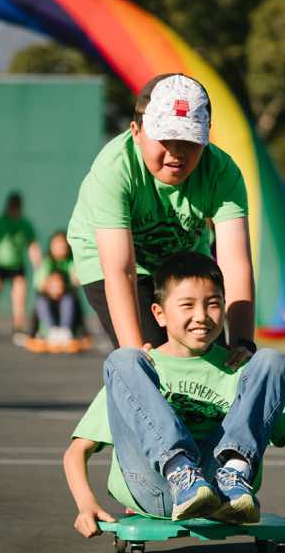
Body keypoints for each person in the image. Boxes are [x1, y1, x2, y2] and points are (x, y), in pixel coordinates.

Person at [64, 252, 285, 537]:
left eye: (213, 304)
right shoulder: (140, 372)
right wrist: (86, 504)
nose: (201, 316)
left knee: (272, 360)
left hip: (222, 492)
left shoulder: (240, 369)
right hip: (155, 487)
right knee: (123, 359)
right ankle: (180, 472)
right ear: (159, 314)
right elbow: (77, 451)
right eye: (187, 305)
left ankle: (235, 471)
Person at [67, 73, 254, 367]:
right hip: (111, 260)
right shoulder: (115, 169)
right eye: (165, 138)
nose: (176, 151)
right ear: (136, 132)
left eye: (189, 140)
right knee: (153, 359)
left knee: (213, 359)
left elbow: (234, 264)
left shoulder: (221, 172)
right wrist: (134, 355)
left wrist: (243, 344)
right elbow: (121, 270)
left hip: (182, 254)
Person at [0, 191, 41, 343]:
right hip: (0, 265)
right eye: (12, 206)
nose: (14, 209)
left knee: (19, 295)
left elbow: (32, 245)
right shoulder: (0, 222)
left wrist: (38, 265)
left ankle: (18, 327)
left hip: (17, 265)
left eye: (17, 207)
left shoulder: (25, 224)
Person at [30, 231, 88, 342]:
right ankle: (51, 330)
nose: (60, 248)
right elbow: (39, 285)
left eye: (62, 245)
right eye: (57, 245)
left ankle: (66, 330)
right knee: (40, 299)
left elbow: (76, 281)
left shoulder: (71, 261)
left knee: (69, 298)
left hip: (66, 298)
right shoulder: (46, 262)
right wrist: (52, 286)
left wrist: (62, 286)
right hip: (48, 300)